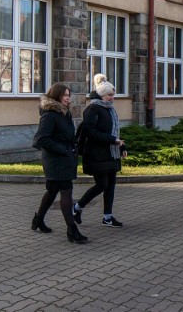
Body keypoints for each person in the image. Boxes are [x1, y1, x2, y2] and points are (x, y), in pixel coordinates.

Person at [31, 83, 88, 244]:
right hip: (56, 160)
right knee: (66, 192)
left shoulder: (64, 113)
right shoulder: (50, 115)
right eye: (65, 95)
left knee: (52, 191)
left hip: (64, 158)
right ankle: (72, 230)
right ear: (56, 96)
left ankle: (38, 220)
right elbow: (41, 139)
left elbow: (67, 135)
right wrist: (63, 150)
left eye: (69, 95)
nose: (68, 98)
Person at [73, 74, 127, 228]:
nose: (112, 98)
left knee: (111, 185)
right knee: (101, 184)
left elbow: (114, 132)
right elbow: (90, 132)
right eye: (110, 95)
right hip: (96, 153)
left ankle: (107, 217)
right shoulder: (92, 109)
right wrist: (112, 141)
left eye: (113, 95)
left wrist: (121, 146)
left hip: (111, 153)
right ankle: (76, 208)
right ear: (102, 95)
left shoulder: (110, 110)